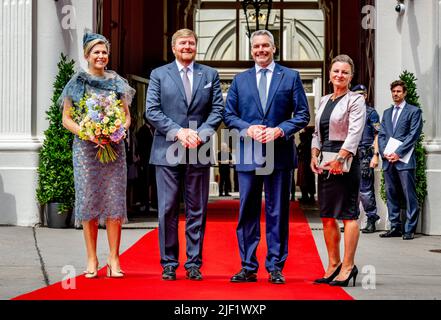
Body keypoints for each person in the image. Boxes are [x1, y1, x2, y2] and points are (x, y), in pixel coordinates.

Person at [224, 30, 310, 284]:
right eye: (256, 46)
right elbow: (229, 115)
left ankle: (275, 267)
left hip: (279, 153)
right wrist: (246, 128)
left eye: (265, 46)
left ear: (274, 48)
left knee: (278, 212)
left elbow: (303, 115)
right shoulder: (240, 80)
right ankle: (248, 266)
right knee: (247, 211)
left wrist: (280, 129)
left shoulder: (291, 77)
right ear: (251, 50)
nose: (260, 50)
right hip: (249, 153)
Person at [146, 29, 223, 281]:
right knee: (167, 209)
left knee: (196, 209)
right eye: (183, 43)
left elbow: (217, 110)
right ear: (173, 47)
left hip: (199, 149)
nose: (187, 46)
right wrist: (179, 132)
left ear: (196, 46)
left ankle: (193, 263)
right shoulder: (159, 74)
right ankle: (168, 262)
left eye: (191, 42)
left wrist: (200, 133)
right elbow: (152, 111)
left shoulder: (210, 74)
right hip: (167, 149)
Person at [61, 32, 135, 279]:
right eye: (96, 52)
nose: (101, 56)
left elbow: (126, 117)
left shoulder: (117, 82)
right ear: (87, 55)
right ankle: (91, 258)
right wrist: (88, 132)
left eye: (104, 52)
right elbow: (67, 119)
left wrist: (116, 130)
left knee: (114, 200)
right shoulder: (77, 82)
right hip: (86, 149)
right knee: (89, 199)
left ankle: (114, 257)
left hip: (113, 148)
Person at [310, 54, 365, 287]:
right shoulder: (323, 100)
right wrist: (314, 154)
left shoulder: (356, 100)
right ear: (330, 74)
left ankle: (348, 266)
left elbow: (355, 132)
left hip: (345, 160)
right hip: (325, 160)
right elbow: (316, 133)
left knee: (348, 214)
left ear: (351, 76)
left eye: (344, 72)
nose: (339, 75)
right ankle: (332, 264)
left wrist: (340, 159)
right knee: (327, 215)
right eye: (336, 71)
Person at [378, 80, 423, 240]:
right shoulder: (387, 113)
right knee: (391, 193)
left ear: (404, 93)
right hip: (388, 159)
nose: (395, 94)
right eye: (393, 91)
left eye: (398, 91)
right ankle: (395, 226)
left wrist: (398, 152)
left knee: (408, 194)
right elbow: (382, 135)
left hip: (404, 159)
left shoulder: (414, 111)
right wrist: (384, 153)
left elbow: (413, 135)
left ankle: (409, 228)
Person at [350, 84, 381, 233]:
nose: (359, 97)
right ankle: (351, 220)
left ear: (366, 96)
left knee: (365, 190)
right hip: (350, 154)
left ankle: (371, 218)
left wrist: (375, 155)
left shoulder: (371, 113)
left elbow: (377, 135)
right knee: (350, 190)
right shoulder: (349, 112)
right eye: (356, 94)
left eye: (362, 94)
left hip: (365, 154)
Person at [296, 126, 316, 203]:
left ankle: (305, 196)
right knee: (309, 179)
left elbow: (299, 148)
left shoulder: (305, 140)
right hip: (307, 161)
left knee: (303, 179)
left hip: (304, 161)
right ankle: (310, 196)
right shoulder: (310, 140)